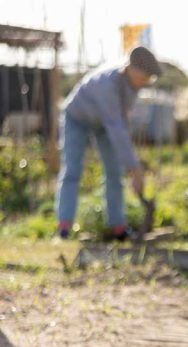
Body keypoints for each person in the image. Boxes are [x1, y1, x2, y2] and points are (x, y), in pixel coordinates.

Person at [55, 46, 162, 241]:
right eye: (146, 77)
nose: (147, 82)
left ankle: (118, 228)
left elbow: (122, 122)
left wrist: (130, 165)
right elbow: (116, 127)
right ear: (132, 68)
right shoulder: (107, 84)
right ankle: (64, 227)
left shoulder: (134, 86)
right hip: (77, 117)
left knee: (114, 172)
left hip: (104, 123)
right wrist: (134, 167)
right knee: (72, 169)